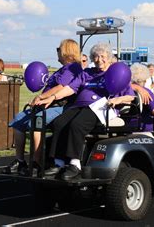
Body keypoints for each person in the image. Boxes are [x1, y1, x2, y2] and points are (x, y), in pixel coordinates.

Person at [38, 43, 135, 180]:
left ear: (109, 58)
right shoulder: (87, 73)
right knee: (59, 123)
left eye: (103, 56)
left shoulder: (114, 73)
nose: (99, 59)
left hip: (100, 107)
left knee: (76, 125)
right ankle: (58, 163)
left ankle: (74, 164)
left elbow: (130, 96)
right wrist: (52, 97)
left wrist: (117, 101)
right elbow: (70, 88)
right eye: (95, 56)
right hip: (79, 106)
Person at [4, 39, 83, 175]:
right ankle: (20, 161)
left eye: (59, 49)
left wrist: (41, 97)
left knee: (37, 122)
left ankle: (36, 163)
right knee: (18, 120)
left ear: (67, 51)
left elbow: (61, 87)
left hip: (60, 105)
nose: (57, 51)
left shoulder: (73, 68)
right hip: (47, 104)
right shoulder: (61, 69)